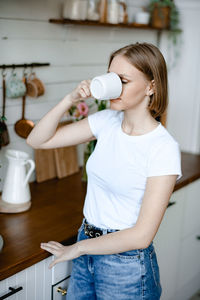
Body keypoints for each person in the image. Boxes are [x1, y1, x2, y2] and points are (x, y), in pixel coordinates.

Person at [26, 42, 182, 300]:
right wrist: (70, 99)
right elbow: (37, 140)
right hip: (86, 244)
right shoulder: (105, 122)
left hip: (126, 265)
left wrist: (77, 249)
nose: (114, 86)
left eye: (123, 80)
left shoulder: (163, 148)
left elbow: (141, 236)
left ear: (151, 86)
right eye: (111, 77)